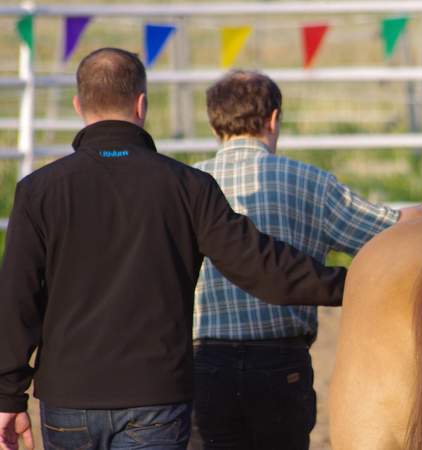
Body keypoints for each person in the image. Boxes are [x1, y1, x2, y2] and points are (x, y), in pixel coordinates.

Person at [0, 48, 348, 450]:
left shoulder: (38, 191)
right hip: (156, 397)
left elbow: (17, 298)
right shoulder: (188, 187)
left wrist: (9, 394)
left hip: (68, 396)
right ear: (141, 104)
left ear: (79, 106)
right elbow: (261, 267)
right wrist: (349, 285)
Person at [189, 70, 422, 450]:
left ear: (214, 125)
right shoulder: (311, 182)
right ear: (274, 119)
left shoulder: (187, 184)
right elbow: (388, 231)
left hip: (203, 363)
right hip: (280, 364)